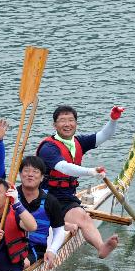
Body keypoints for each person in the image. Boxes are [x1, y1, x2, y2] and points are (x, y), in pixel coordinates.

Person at [36, 105, 124, 258]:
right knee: (77, 216)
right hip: (45, 198)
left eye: (71, 120)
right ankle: (61, 225)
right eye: (62, 121)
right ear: (54, 125)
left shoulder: (78, 142)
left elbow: (104, 135)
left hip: (66, 197)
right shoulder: (48, 148)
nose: (67, 124)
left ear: (76, 124)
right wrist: (90, 172)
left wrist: (113, 119)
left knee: (83, 217)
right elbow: (63, 167)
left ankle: (101, 247)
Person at [17, 156, 66, 267]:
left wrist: (52, 250)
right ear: (20, 174)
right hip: (12, 244)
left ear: (42, 177)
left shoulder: (51, 201)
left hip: (35, 248)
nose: (30, 174)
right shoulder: (11, 196)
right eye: (26, 171)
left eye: (35, 171)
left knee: (21, 264)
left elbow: (59, 231)